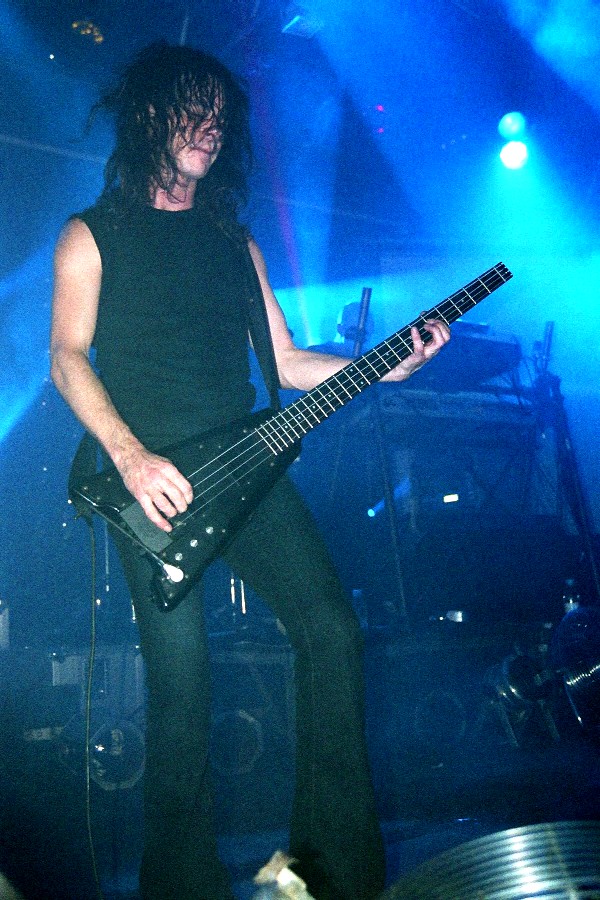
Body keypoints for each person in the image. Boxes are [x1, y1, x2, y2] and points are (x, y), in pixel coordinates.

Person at [50, 42, 450, 900]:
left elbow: (290, 361)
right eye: (192, 109)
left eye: (219, 116)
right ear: (148, 115)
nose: (210, 127)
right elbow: (67, 356)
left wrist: (389, 365)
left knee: (331, 630)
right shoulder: (90, 234)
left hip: (248, 464)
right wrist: (131, 455)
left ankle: (333, 873)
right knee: (183, 689)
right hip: (151, 487)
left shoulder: (235, 243)